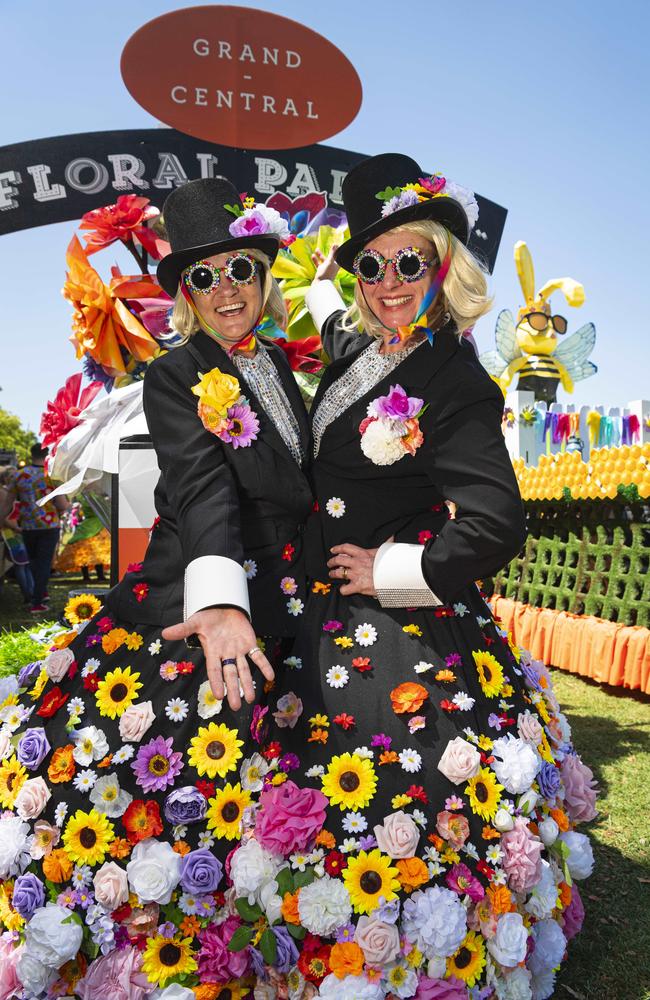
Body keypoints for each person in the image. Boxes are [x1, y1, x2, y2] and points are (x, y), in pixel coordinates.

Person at [243, 155, 594, 999]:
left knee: (393, 816)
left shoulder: (453, 375)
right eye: (371, 264)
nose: (390, 281)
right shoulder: (355, 349)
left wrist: (392, 569)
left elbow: (496, 520)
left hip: (397, 632)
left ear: (442, 265)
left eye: (410, 261)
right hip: (317, 620)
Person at [0, 177, 314, 997]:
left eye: (241, 269)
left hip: (280, 595)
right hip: (190, 592)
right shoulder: (179, 377)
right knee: (159, 777)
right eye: (203, 277)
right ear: (183, 296)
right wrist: (213, 603)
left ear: (264, 275)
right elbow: (206, 487)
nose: (226, 290)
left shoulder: (282, 364)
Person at [5, 443, 68, 612]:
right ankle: (38, 602)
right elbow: (62, 504)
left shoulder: (19, 475)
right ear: (46, 454)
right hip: (49, 525)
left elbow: (7, 504)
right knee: (44, 563)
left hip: (28, 526)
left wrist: (3, 518)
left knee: (32, 562)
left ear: (31, 454)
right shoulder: (51, 476)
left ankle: (37, 593)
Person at [0, 465, 35, 603]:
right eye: (12, 476)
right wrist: (17, 528)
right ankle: (28, 595)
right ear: (5, 478)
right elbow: (4, 517)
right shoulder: (3, 493)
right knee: (21, 564)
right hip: (9, 533)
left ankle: (30, 593)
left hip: (16, 532)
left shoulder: (13, 492)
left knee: (24, 563)